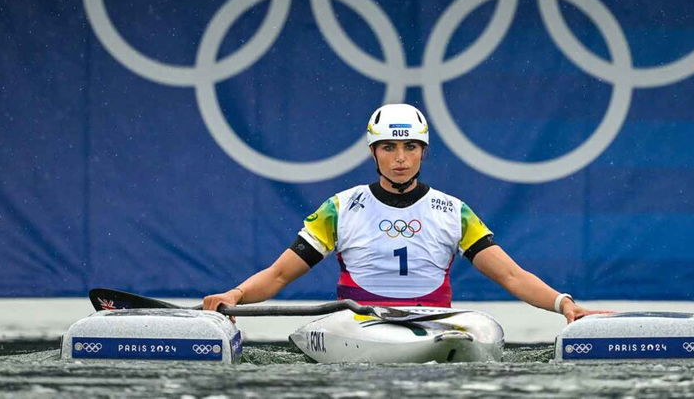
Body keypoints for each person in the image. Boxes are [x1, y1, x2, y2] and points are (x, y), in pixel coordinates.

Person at [203, 103, 610, 323]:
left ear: (423, 152)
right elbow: (278, 275)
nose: (400, 159)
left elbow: (511, 275)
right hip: (357, 325)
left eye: (410, 147)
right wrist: (235, 295)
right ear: (373, 152)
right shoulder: (339, 209)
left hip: (434, 326)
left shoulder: (454, 212)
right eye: (389, 148)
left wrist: (563, 304)